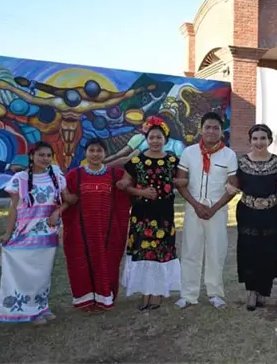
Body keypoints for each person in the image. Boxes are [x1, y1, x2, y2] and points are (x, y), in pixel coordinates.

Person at [0, 141, 71, 324]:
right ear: (32, 156)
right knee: (26, 273)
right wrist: (8, 233)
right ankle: (28, 311)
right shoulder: (19, 178)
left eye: (48, 155)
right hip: (24, 233)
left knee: (43, 274)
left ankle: (41, 307)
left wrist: (57, 212)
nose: (45, 158)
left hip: (47, 234)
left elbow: (67, 199)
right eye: (41, 155)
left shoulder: (56, 175)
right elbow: (13, 208)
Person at [175, 112, 237, 309]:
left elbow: (233, 187)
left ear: (221, 132)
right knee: (190, 251)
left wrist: (214, 208)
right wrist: (196, 205)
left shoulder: (229, 155)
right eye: (207, 127)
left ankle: (215, 293)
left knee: (216, 251)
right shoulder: (189, 152)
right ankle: (188, 295)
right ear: (201, 130)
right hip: (193, 208)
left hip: (217, 210)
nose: (211, 131)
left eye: (215, 128)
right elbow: (181, 182)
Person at [61, 138, 132, 312]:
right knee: (81, 263)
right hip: (81, 231)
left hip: (107, 231)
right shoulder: (75, 175)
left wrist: (126, 180)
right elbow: (62, 193)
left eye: (99, 150)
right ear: (85, 153)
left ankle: (104, 297)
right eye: (91, 150)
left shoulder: (114, 175)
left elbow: (131, 178)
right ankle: (85, 299)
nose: (95, 154)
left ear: (105, 153)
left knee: (107, 262)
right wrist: (65, 198)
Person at [119, 116, 182, 311]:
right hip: (141, 214)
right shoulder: (136, 161)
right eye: (151, 137)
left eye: (159, 137)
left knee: (160, 252)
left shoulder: (172, 161)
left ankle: (157, 293)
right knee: (143, 251)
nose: (155, 141)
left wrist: (179, 183)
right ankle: (145, 292)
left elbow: (183, 181)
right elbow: (125, 185)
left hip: (163, 215)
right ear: (146, 139)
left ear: (165, 139)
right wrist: (141, 192)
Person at [225, 124, 277, 311]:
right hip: (248, 212)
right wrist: (229, 186)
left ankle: (263, 290)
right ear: (250, 141)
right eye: (255, 138)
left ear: (270, 140)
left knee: (268, 251)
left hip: (270, 213)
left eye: (263, 138)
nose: (259, 142)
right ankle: (251, 291)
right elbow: (233, 183)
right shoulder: (241, 162)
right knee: (249, 250)